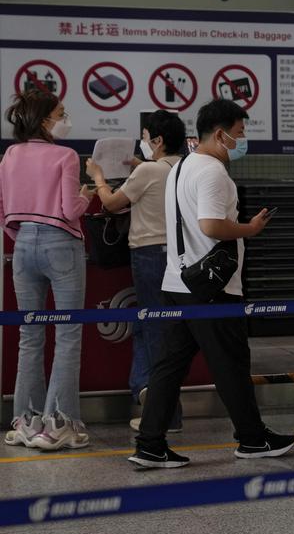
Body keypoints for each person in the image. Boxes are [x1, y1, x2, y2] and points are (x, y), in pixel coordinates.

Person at [129, 99, 294, 468]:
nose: (242, 140)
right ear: (220, 134)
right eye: (239, 133)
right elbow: (210, 226)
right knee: (232, 363)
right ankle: (252, 439)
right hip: (211, 287)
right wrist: (250, 229)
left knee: (169, 366)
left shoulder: (181, 167)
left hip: (178, 281)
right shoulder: (213, 172)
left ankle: (150, 443)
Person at [0, 90, 94, 450]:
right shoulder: (66, 155)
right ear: (45, 120)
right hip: (61, 245)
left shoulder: (10, 154)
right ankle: (57, 424)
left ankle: (26, 420)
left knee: (30, 333)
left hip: (22, 244)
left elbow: (4, 207)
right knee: (68, 333)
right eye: (60, 112)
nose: (64, 117)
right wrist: (86, 195)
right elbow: (71, 209)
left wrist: (19, 234)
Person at [86, 110, 186, 433]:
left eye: (145, 137)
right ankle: (148, 397)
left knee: (155, 331)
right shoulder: (181, 166)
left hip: (149, 256)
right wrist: (140, 167)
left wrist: (99, 177)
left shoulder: (149, 172)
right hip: (175, 257)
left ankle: (166, 416)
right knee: (154, 329)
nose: (143, 142)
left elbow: (113, 203)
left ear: (156, 140)